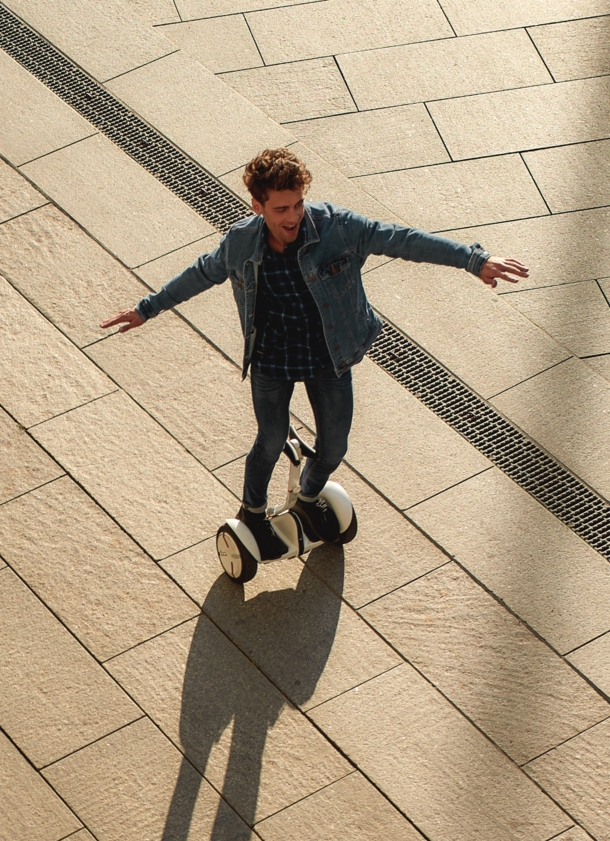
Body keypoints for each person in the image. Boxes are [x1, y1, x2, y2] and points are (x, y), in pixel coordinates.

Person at [101, 148, 528, 559]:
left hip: (329, 355)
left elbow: (403, 241)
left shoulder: (337, 228)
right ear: (257, 206)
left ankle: (306, 495)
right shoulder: (241, 243)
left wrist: (474, 261)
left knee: (334, 447)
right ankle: (251, 512)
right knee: (270, 439)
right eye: (280, 209)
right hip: (273, 357)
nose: (292, 218)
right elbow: (201, 274)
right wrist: (146, 309)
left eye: (298, 205)